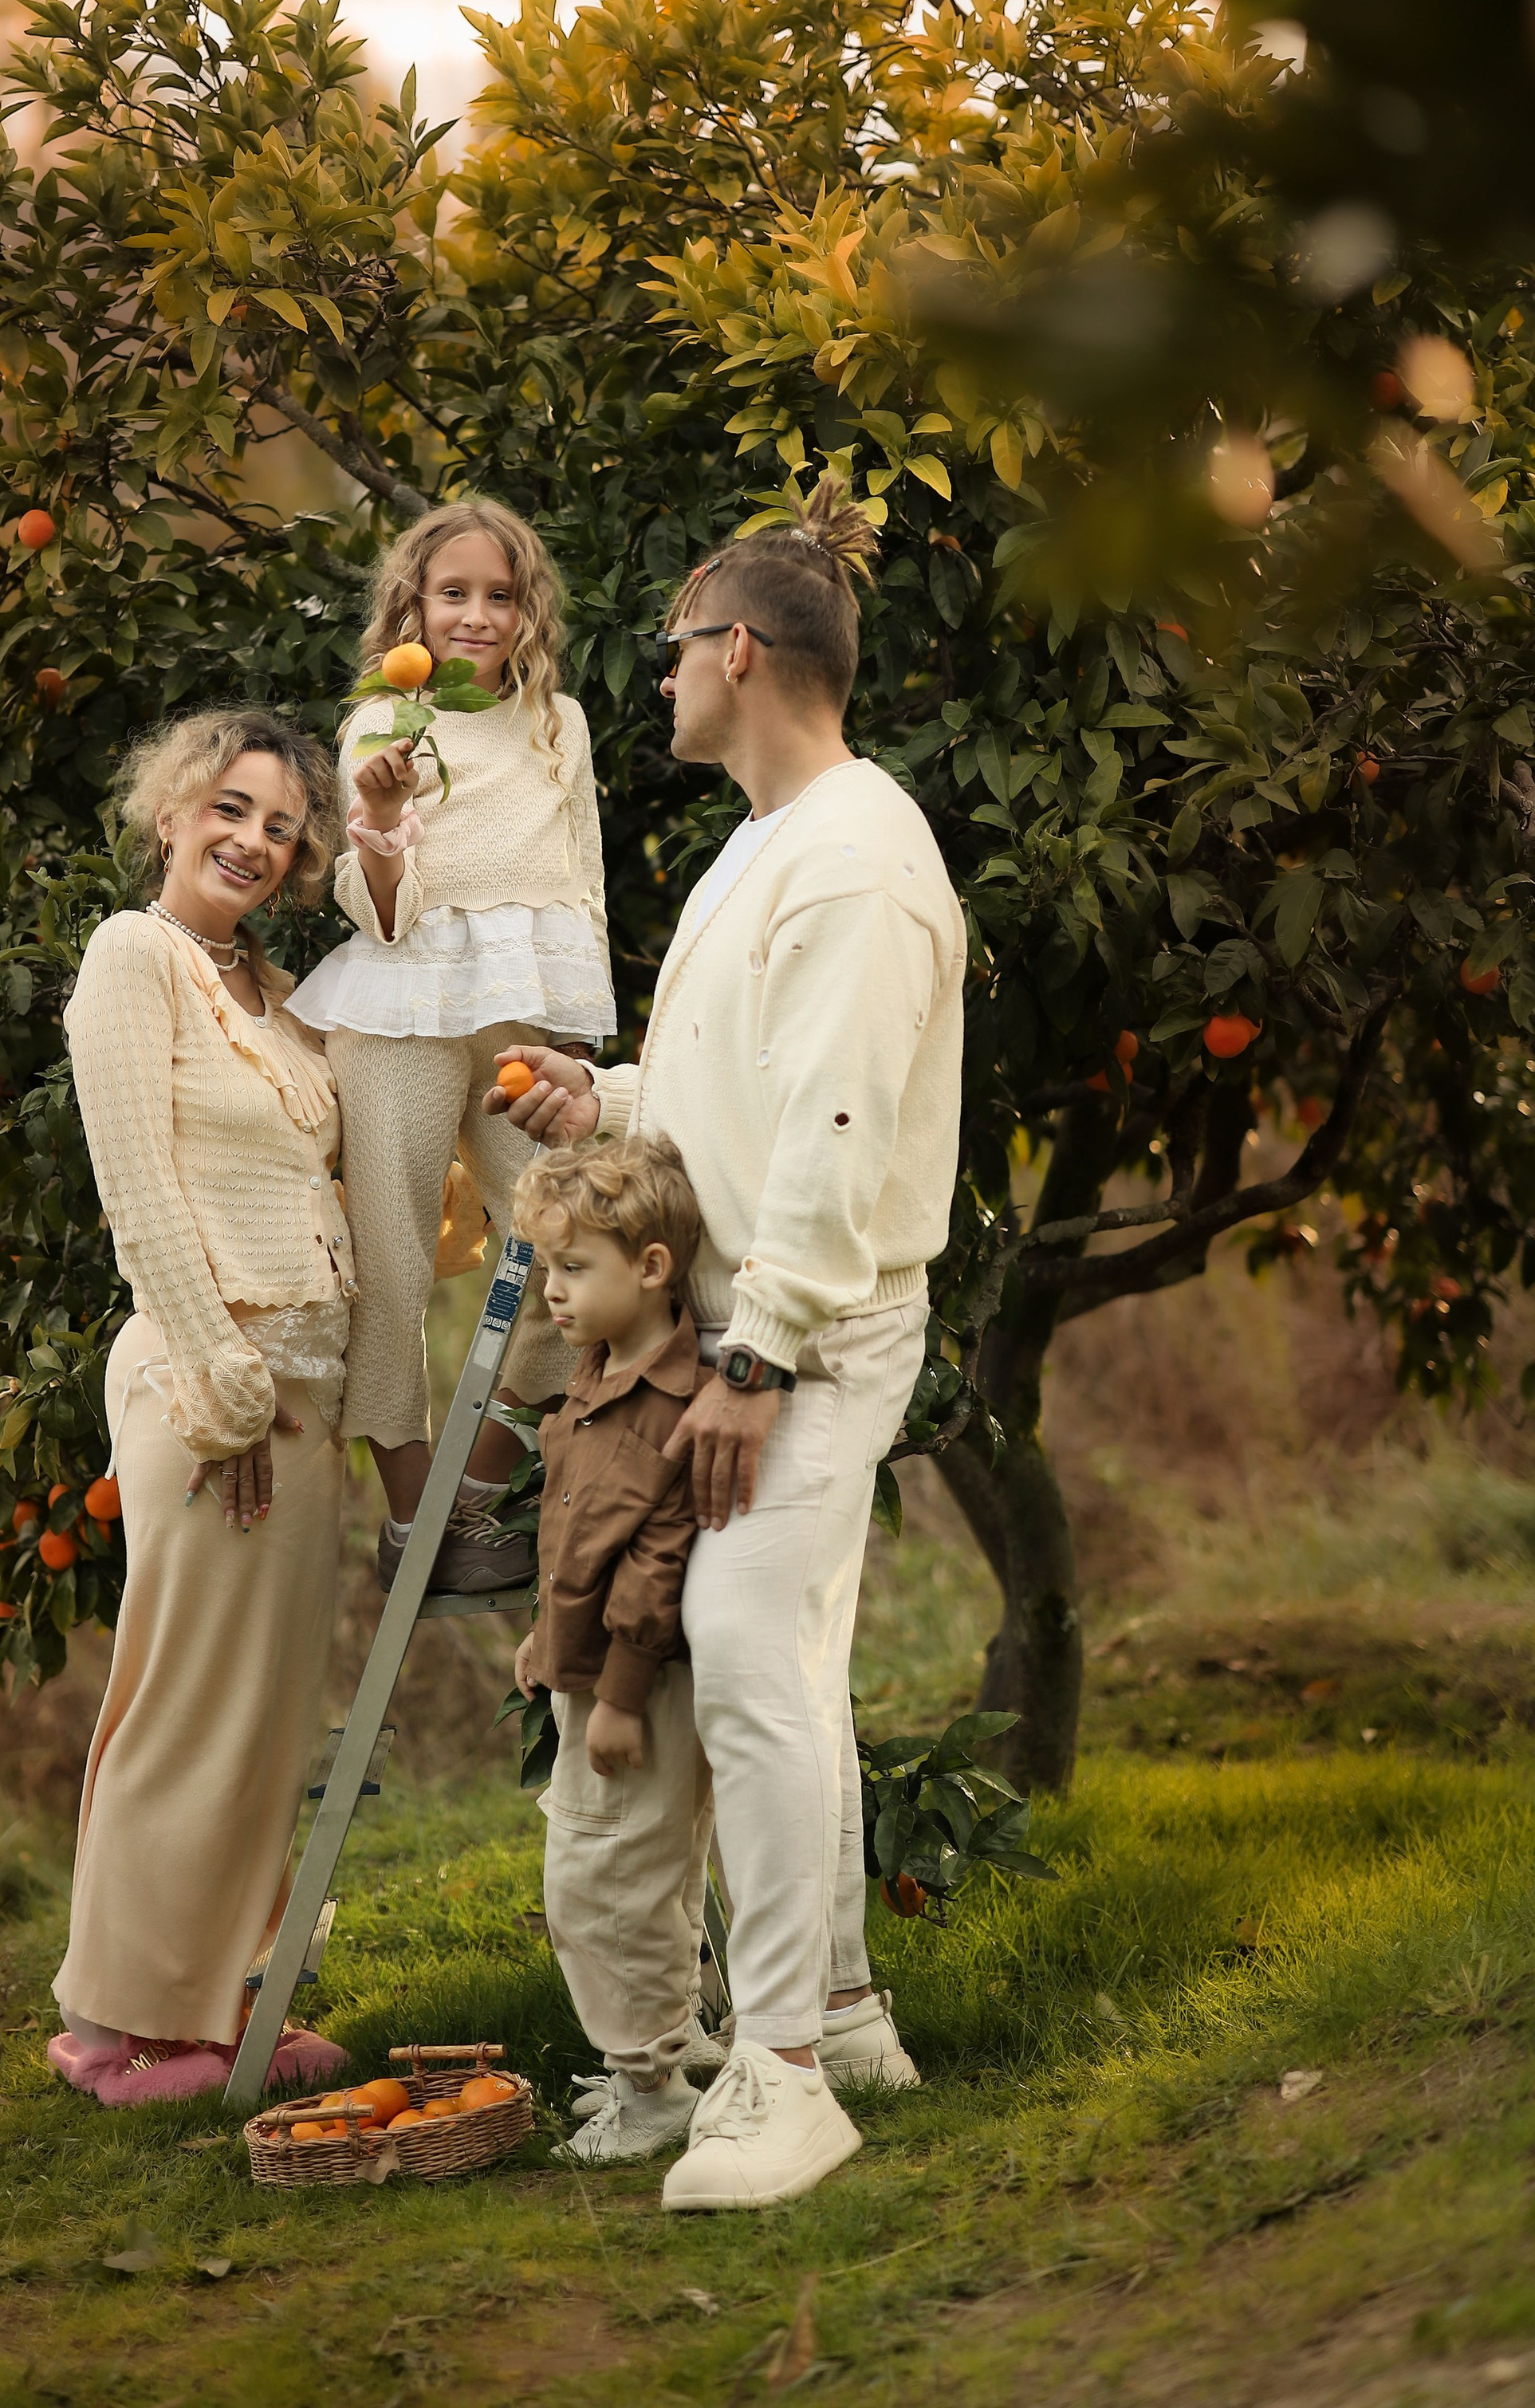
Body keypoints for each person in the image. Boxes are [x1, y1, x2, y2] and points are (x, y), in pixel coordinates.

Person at [487, 483, 966, 2209]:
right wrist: (596, 1100)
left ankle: (771, 2077)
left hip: (812, 1325)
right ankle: (835, 2015)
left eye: (674, 651)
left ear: (740, 651)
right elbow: (734, 1093)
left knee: (743, 1635)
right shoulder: (763, 843)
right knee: (781, 1657)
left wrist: (755, 1360)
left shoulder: (850, 855)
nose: (657, 681)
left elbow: (835, 1124)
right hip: (762, 1309)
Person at [47, 705, 358, 2109]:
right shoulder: (137, 960)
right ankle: (123, 2026)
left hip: (305, 1393)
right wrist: (225, 1389)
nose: (252, 840)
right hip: (208, 1385)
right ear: (173, 810)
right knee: (183, 1703)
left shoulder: (279, 996)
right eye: (230, 808)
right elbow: (140, 1190)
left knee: (264, 1717)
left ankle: (224, 1997)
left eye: (283, 827)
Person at [287, 497, 616, 1593]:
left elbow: (584, 876)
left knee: (579, 1233)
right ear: (414, 608)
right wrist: (378, 823)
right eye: (454, 594)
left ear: (529, 612)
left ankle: (474, 1495)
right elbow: (381, 911)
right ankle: (407, 1507)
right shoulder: (385, 722)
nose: (477, 615)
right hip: (404, 1008)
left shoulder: (558, 723)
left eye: (500, 595)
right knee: (389, 1261)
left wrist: (583, 1031)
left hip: (523, 1015)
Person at [508, 1135, 716, 2166]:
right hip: (585, 1673)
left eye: (573, 1268)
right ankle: (666, 2050)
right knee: (632, 1863)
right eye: (550, 1268)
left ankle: (651, 2084)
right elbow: (577, 1536)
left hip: (627, 1690)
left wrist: (621, 1694)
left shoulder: (671, 1406)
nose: (553, 1291)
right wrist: (548, 1643)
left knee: (604, 1879)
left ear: (651, 1269)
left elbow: (653, 1561)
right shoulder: (600, 1373)